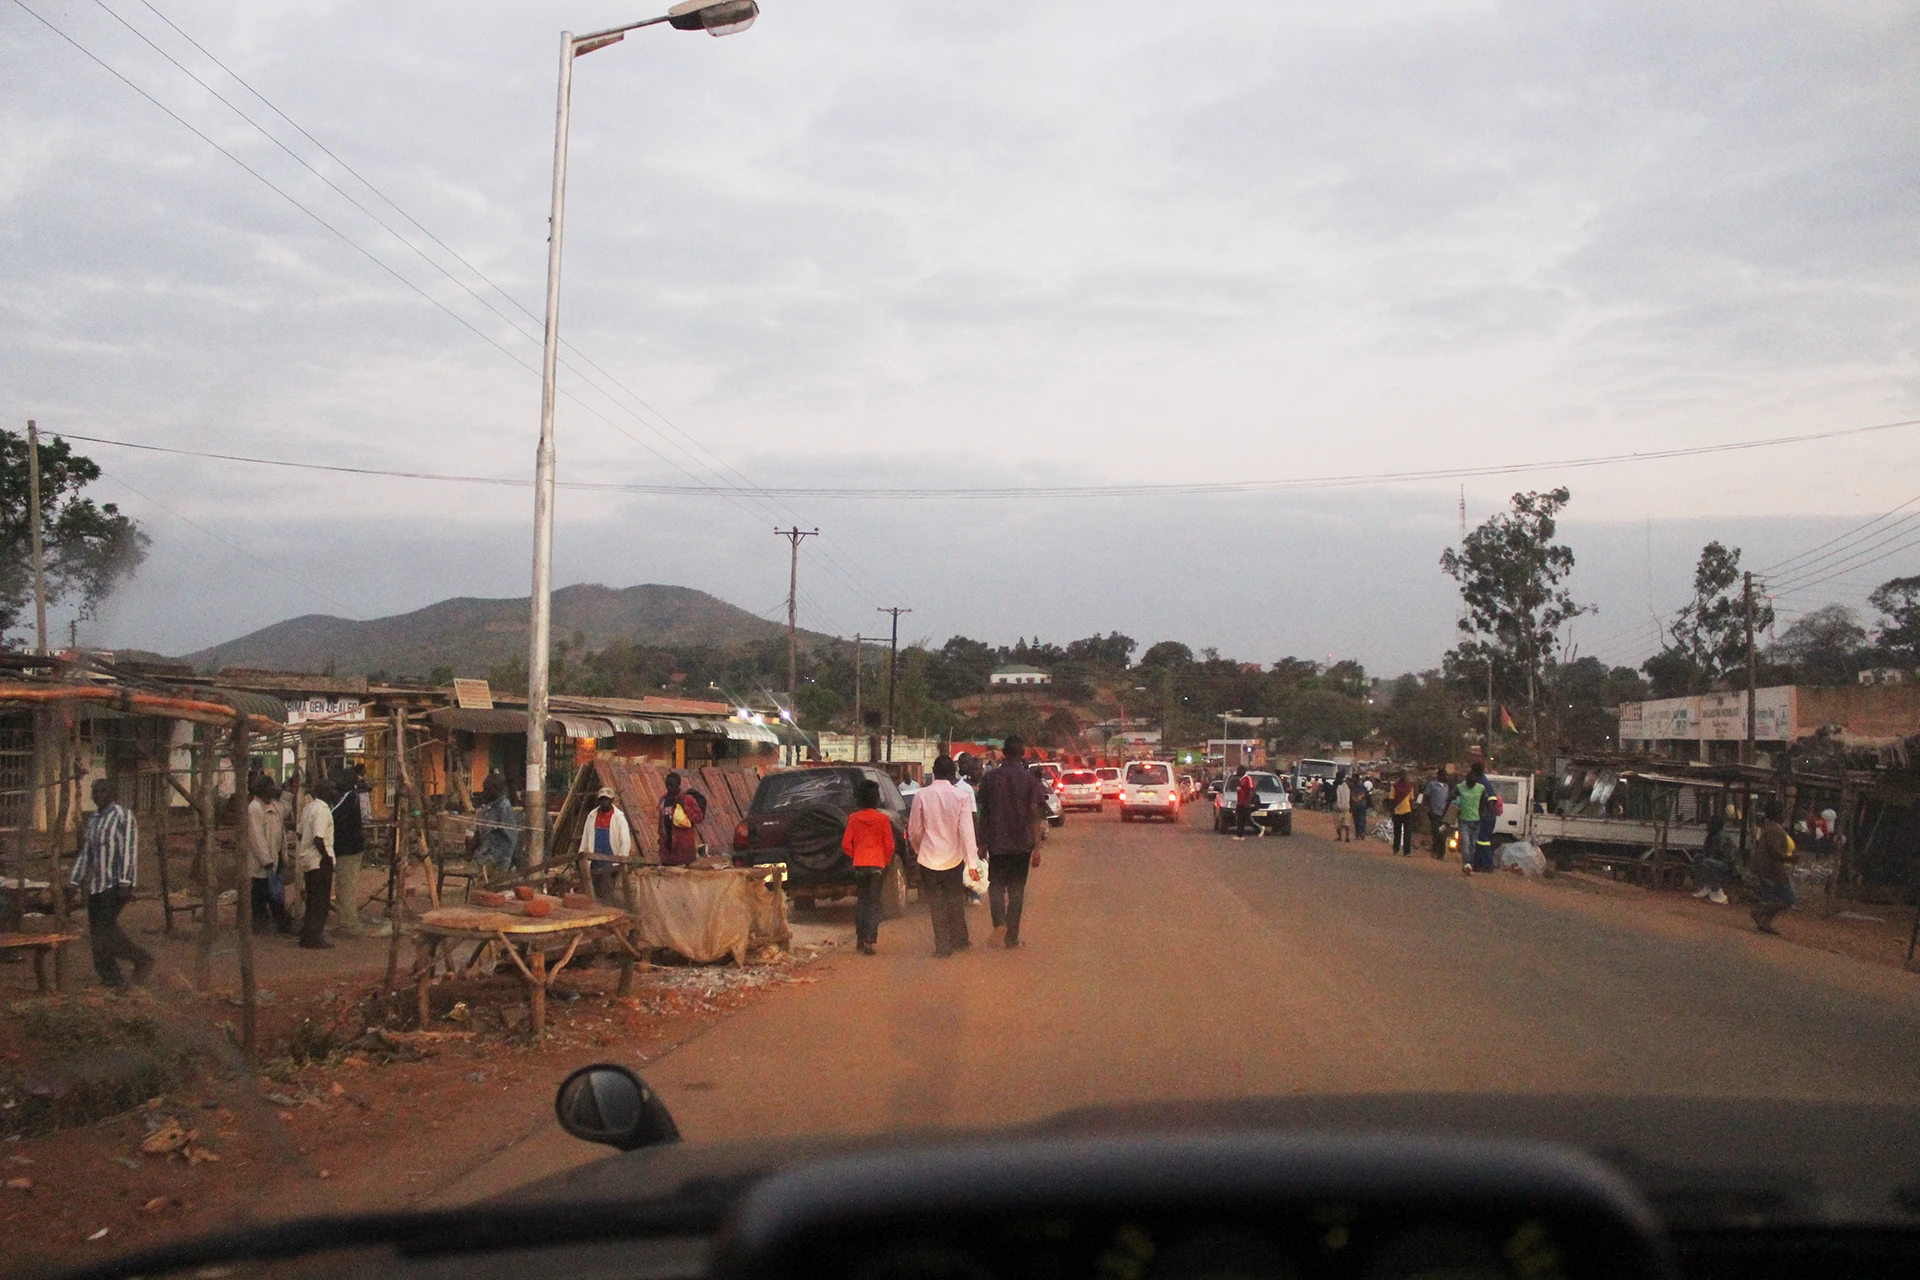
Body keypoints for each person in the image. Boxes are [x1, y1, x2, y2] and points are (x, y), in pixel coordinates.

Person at [71, 778, 154, 988]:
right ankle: (110, 978)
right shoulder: (92, 820)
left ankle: (142, 959)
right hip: (96, 885)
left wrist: (125, 882)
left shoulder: (123, 816)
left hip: (116, 884)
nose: (98, 795)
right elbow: (85, 854)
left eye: (103, 791)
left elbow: (129, 850)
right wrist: (73, 881)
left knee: (104, 930)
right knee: (97, 932)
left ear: (111, 793)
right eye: (95, 791)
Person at [977, 735, 1050, 949]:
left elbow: (984, 813)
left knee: (996, 886)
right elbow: (1035, 815)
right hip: (1022, 844)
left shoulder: (990, 779)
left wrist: (982, 843)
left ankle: (999, 922)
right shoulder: (1030, 780)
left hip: (997, 843)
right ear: (1022, 753)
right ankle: (1012, 937)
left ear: (1003, 752)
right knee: (1017, 890)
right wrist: (1036, 847)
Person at [906, 754, 982, 957]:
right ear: (952, 773)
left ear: (934, 772)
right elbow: (966, 832)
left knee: (935, 903)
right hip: (953, 859)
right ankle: (959, 939)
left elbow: (914, 829)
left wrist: (917, 848)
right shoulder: (961, 797)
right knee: (955, 899)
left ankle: (942, 946)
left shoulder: (921, 795)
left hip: (929, 858)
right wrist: (972, 863)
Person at [842, 778, 896, 955]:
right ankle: (869, 941)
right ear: (876, 799)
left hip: (859, 864)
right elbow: (889, 845)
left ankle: (860, 937)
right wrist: (885, 860)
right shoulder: (883, 819)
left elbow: (845, 844)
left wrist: (855, 855)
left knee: (862, 902)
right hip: (877, 865)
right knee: (874, 903)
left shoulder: (853, 819)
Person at [247, 776, 294, 936]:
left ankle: (280, 923)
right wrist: (266, 860)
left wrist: (287, 792)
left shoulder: (274, 805)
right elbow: (256, 836)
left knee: (276, 892)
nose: (273, 790)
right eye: (270, 787)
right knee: (260, 893)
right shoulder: (254, 808)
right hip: (263, 861)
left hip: (277, 855)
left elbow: (286, 809)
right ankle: (261, 925)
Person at [295, 779, 337, 948]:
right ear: (325, 791)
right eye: (331, 789)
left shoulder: (309, 808)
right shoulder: (321, 810)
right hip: (319, 861)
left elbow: (300, 833)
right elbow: (318, 838)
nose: (334, 791)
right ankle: (314, 937)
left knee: (313, 900)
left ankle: (307, 935)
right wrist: (327, 858)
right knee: (320, 902)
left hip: (309, 860)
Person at [329, 768, 368, 937]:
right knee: (344, 886)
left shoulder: (349, 798)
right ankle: (347, 922)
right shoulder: (349, 797)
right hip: (348, 848)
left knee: (346, 887)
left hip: (349, 849)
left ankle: (350, 925)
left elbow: (336, 818)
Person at [1750, 802, 1797, 935]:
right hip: (1773, 869)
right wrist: (1790, 858)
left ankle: (1765, 921)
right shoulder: (1775, 830)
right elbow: (1774, 852)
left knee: (1775, 899)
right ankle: (1759, 912)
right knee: (1788, 900)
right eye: (1783, 812)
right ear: (1778, 815)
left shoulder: (1770, 828)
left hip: (1769, 868)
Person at [579, 786, 634, 901]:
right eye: (602, 799)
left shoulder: (619, 818)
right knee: (593, 892)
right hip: (593, 861)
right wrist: (582, 855)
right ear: (599, 801)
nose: (604, 802)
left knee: (606, 893)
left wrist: (620, 861)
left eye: (607, 799)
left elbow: (624, 841)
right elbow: (586, 836)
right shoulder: (592, 816)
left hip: (610, 864)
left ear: (612, 800)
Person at [468, 772, 520, 880]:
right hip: (483, 856)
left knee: (485, 891)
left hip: (496, 861)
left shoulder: (504, 808)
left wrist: (495, 859)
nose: (484, 792)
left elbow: (511, 839)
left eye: (486, 789)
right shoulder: (487, 807)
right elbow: (481, 832)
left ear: (495, 790)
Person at [658, 772, 706, 868]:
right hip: (667, 849)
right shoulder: (663, 800)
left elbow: (698, 818)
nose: (669, 788)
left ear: (678, 785)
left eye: (672, 786)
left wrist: (685, 807)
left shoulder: (686, 799)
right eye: (667, 786)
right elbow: (661, 821)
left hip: (683, 850)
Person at [1455, 764, 1491, 875]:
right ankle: (1467, 864)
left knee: (1472, 846)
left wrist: (1484, 813)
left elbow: (1487, 802)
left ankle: (1469, 864)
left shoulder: (1481, 788)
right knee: (1465, 844)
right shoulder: (1460, 787)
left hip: (1476, 821)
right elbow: (1450, 799)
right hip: (1463, 820)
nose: (1471, 785)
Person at [1425, 768, 1452, 858]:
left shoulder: (1446, 787)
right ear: (1439, 775)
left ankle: (1440, 853)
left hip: (1443, 814)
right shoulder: (1432, 785)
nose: (1446, 777)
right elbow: (1427, 797)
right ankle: (1436, 850)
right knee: (1437, 832)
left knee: (1442, 833)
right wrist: (1428, 809)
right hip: (1434, 813)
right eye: (1445, 775)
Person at [1389, 771, 1416, 856]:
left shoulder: (1409, 787)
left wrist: (1412, 810)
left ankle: (1406, 851)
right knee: (1398, 832)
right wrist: (1392, 811)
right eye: (1402, 775)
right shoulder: (1395, 786)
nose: (1404, 777)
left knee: (1406, 833)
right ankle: (1396, 849)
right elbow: (1391, 799)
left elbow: (1411, 800)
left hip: (1407, 811)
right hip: (1398, 811)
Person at [1234, 771, 1259, 838]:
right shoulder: (1240, 780)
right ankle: (1240, 835)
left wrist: (1249, 802)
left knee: (1246, 819)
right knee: (1239, 819)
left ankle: (1259, 829)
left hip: (1245, 803)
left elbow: (1251, 790)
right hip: (1240, 803)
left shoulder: (1248, 778)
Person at [1350, 777, 1372, 843]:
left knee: (1357, 820)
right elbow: (1368, 796)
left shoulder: (1352, 787)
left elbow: (1350, 797)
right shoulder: (1363, 788)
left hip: (1356, 806)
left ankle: (1359, 833)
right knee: (1361, 819)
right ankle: (1361, 833)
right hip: (1362, 806)